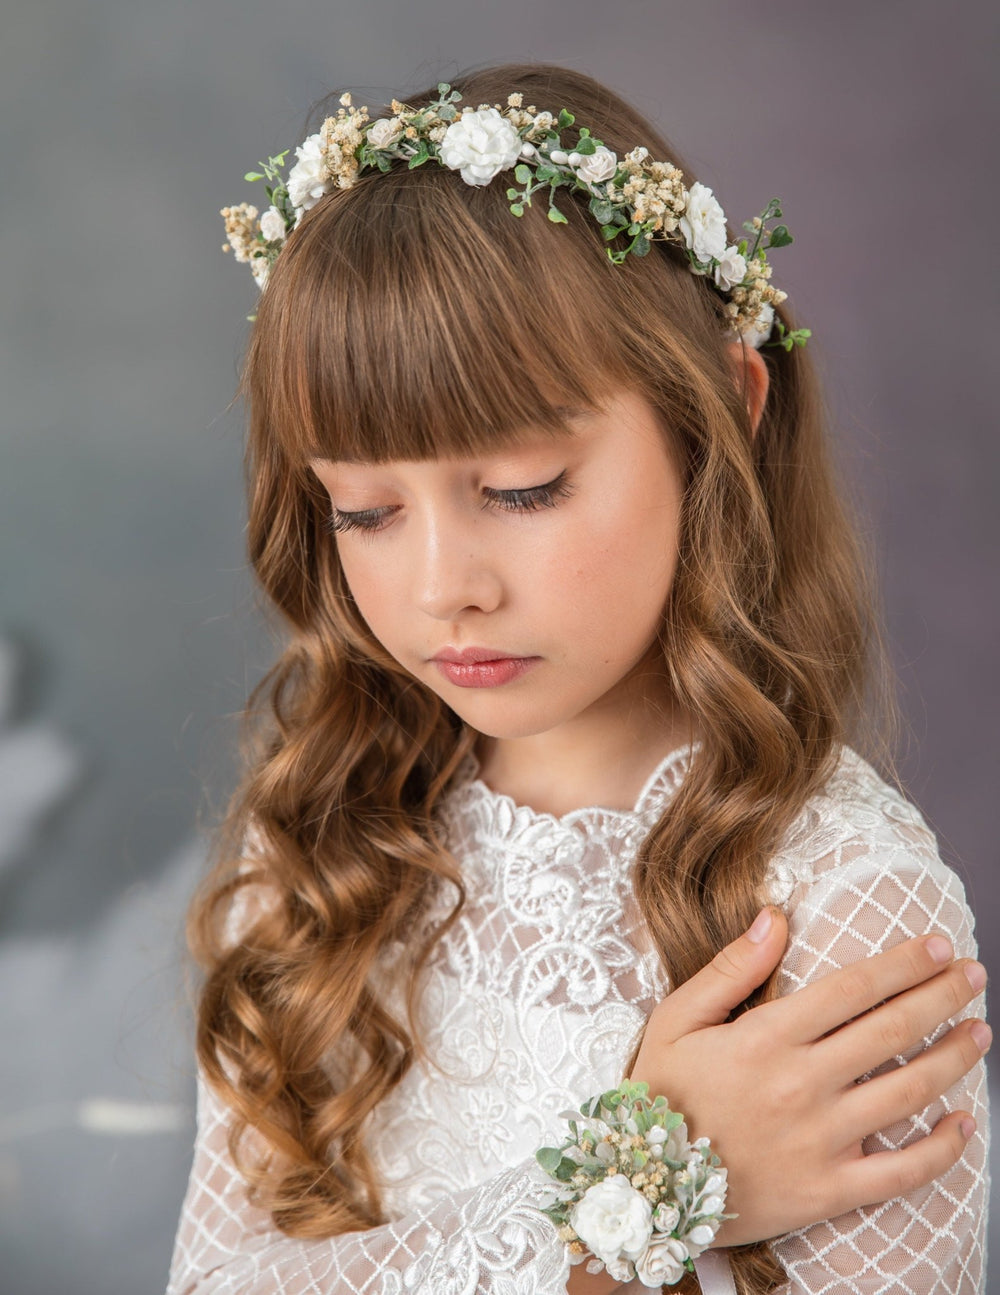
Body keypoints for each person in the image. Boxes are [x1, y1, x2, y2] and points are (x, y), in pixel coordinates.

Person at [168, 61, 989, 1294]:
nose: (447, 584)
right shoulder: (314, 855)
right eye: (365, 508)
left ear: (725, 407)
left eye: (520, 490)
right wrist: (627, 1186)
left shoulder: (848, 911)